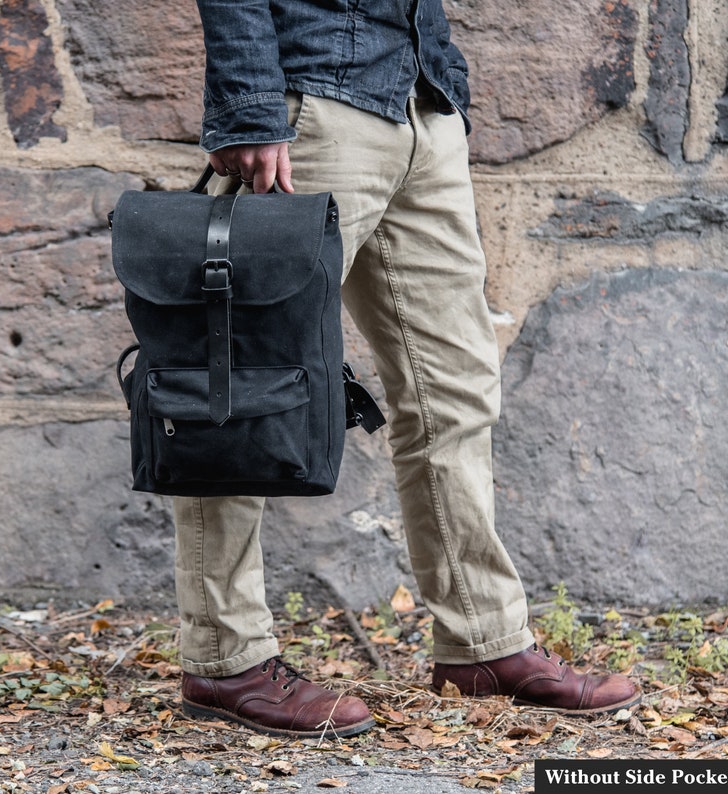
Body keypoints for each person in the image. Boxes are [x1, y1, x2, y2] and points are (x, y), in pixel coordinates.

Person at [177, 0, 640, 739]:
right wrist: (251, 108)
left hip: (423, 101)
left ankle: (482, 642)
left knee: (454, 386)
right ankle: (224, 655)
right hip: (310, 111)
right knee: (243, 386)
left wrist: (445, 94)